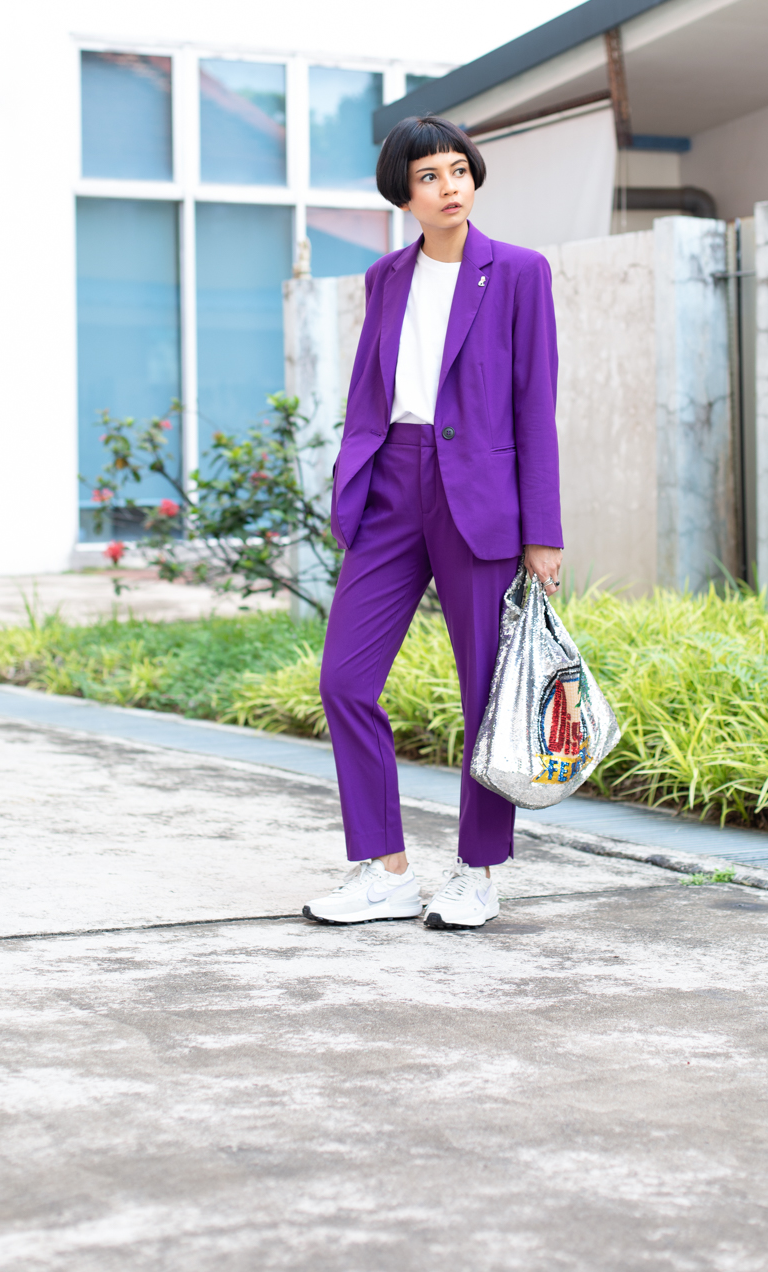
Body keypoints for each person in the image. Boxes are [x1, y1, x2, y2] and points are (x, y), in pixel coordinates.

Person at [302, 114, 563, 930]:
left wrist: (543, 531)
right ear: (403, 194)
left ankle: (477, 873)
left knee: (485, 690)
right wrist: (355, 477)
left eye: (459, 170)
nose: (450, 187)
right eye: (429, 177)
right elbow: (367, 389)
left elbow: (536, 404)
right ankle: (385, 872)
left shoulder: (518, 272)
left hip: (478, 497)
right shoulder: (385, 277)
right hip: (392, 485)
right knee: (345, 680)